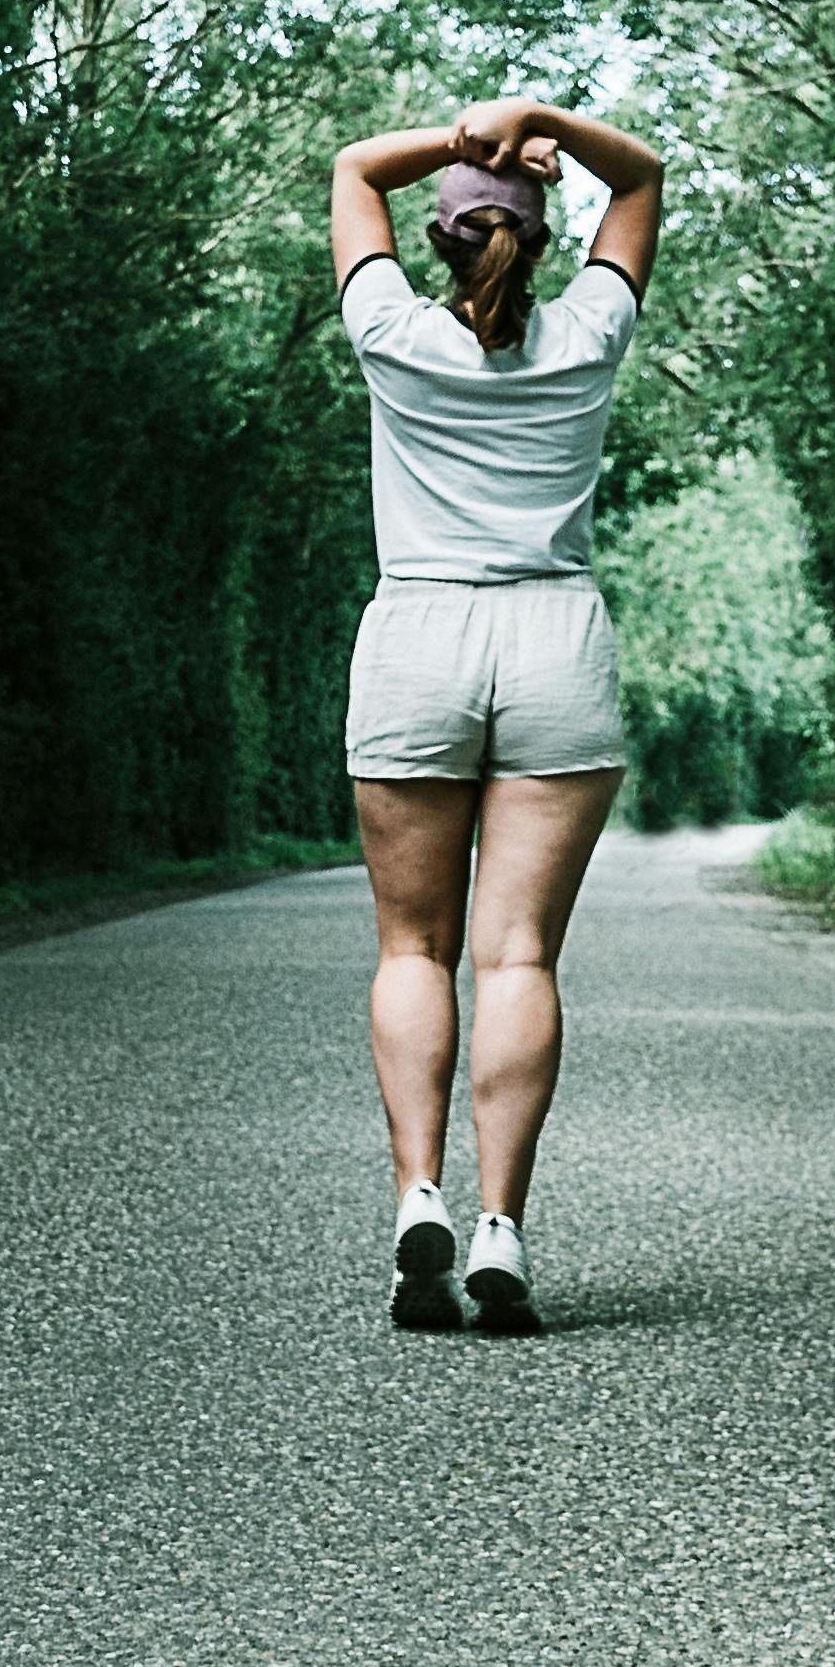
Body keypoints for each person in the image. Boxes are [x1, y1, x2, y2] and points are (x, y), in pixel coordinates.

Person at [327, 89, 665, 1334]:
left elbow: (358, 164)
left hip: (417, 635)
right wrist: (547, 123)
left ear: (446, 239)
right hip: (550, 639)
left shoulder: (391, 334)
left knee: (412, 949)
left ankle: (416, 1190)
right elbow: (643, 183)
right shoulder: (584, 334)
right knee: (516, 954)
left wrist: (465, 138)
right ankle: (499, 1225)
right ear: (537, 237)